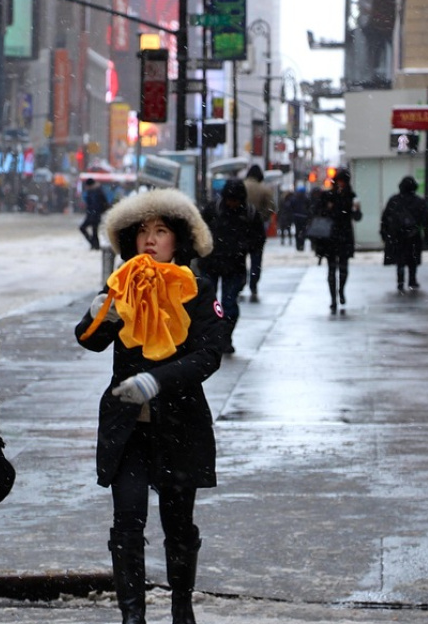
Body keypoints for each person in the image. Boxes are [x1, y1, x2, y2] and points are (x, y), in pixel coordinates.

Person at [75, 188, 223, 624]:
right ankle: (132, 615)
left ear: (179, 239)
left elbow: (208, 355)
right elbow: (90, 339)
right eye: (142, 232)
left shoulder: (197, 288)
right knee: (127, 521)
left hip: (180, 424)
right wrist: (98, 315)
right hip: (128, 429)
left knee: (178, 525)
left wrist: (156, 380)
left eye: (161, 231)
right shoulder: (121, 284)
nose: (151, 240)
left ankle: (181, 605)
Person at [198, 179, 263, 354]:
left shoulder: (249, 214)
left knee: (229, 304)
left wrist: (254, 269)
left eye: (236, 200)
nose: (232, 204)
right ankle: (212, 337)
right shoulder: (213, 210)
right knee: (209, 304)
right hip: (211, 263)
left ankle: (224, 337)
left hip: (234, 266)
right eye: (230, 199)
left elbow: (258, 242)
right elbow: (198, 233)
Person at [313, 168, 362, 314]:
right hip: (331, 236)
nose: (341, 184)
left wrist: (356, 209)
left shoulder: (351, 196)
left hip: (343, 235)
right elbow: (319, 213)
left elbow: (357, 217)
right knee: (332, 268)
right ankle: (333, 299)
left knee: (343, 268)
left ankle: (340, 291)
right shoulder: (328, 195)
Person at [380, 175, 428, 293]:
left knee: (400, 260)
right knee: (412, 260)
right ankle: (412, 280)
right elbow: (426, 221)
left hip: (397, 236)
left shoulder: (394, 200)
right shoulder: (419, 202)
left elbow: (385, 218)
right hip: (413, 236)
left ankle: (400, 281)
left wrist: (384, 233)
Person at [242, 165, 275, 302]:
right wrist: (262, 217)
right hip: (257, 229)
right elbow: (271, 208)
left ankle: (241, 281)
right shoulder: (264, 190)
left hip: (240, 228)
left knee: (239, 258)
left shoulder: (241, 186)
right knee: (256, 259)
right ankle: (253, 283)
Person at [79, 177, 109, 250]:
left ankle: (95, 245)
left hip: (95, 215)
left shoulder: (98, 191)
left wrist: (97, 212)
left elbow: (103, 204)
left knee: (92, 230)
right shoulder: (93, 191)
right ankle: (94, 244)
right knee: (93, 231)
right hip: (92, 214)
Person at [289, 186, 313, 251]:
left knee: (298, 231)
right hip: (304, 217)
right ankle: (301, 245)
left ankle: (298, 245)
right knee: (303, 231)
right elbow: (309, 208)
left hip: (297, 217)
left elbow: (291, 207)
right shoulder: (306, 199)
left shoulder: (294, 199)